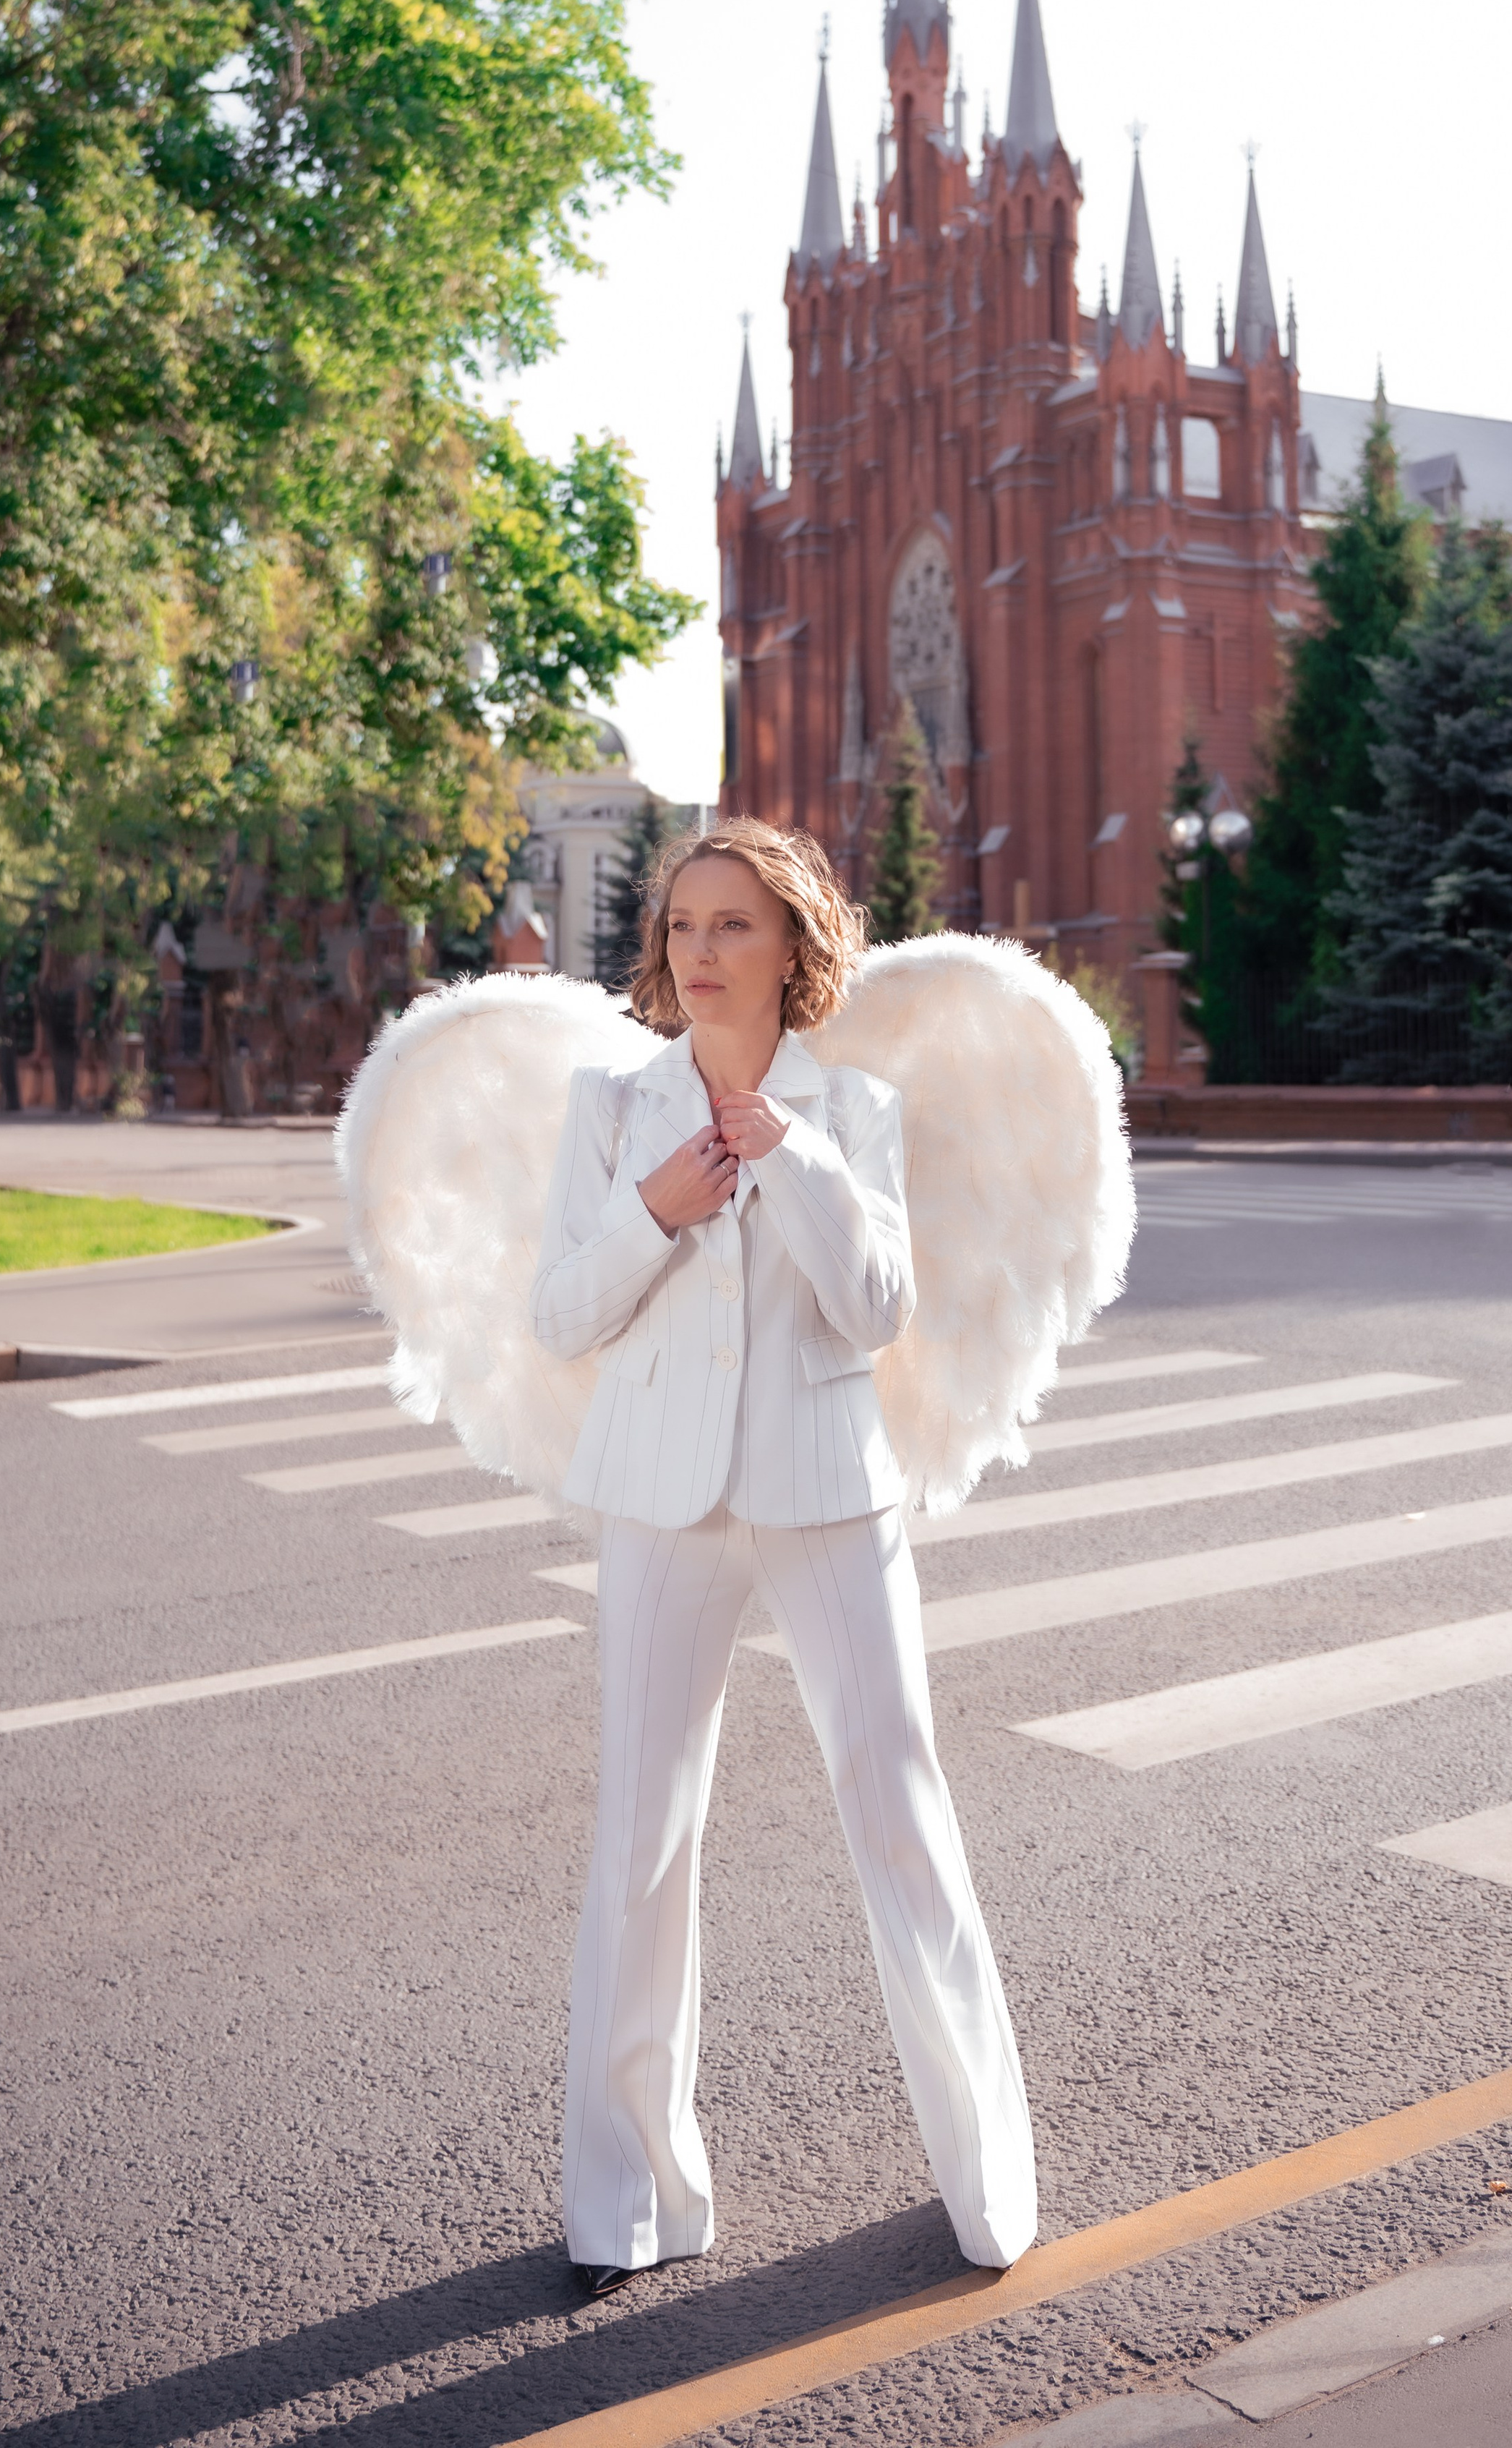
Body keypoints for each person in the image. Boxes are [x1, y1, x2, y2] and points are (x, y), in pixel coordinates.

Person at [528, 818, 1038, 2300]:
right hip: (658, 1505)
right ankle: (629, 2200)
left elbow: (875, 1307)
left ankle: (984, 2177)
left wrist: (791, 1155)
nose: (696, 952)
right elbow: (560, 1313)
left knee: (897, 1815)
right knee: (640, 1841)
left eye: (729, 925)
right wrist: (653, 1213)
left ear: (791, 946)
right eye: (680, 925)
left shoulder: (852, 1108)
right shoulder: (610, 1104)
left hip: (825, 1492)